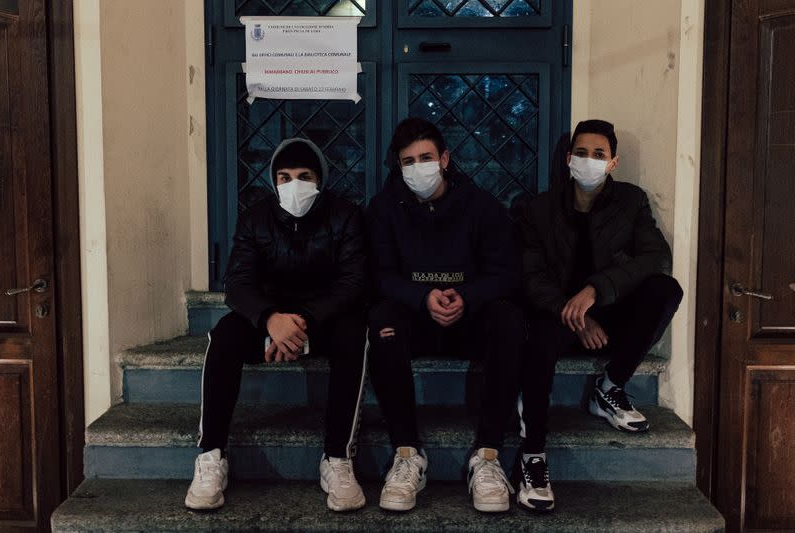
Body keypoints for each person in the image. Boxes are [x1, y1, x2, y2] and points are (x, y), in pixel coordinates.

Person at [185, 138, 368, 513]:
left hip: (322, 320)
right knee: (223, 336)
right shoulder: (255, 216)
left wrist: (301, 324)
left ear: (320, 179)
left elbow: (354, 283)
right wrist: (270, 320)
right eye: (284, 177)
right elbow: (236, 284)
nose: (294, 185)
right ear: (273, 179)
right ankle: (211, 455)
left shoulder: (345, 215)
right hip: (267, 319)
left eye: (304, 176)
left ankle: (337, 458)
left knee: (355, 335)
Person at [511, 119, 683, 512]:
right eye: (582, 153)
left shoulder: (631, 202)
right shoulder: (538, 209)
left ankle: (610, 387)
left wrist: (595, 291)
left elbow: (656, 258)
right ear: (569, 158)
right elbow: (530, 276)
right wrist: (574, 312)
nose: (589, 161)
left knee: (665, 289)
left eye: (599, 154)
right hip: (557, 314)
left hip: (610, 314)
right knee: (534, 338)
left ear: (612, 162)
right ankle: (532, 454)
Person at [365, 117, 525, 513]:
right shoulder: (384, 208)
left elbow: (506, 275)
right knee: (381, 320)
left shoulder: (482, 206)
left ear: (445, 159)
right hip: (414, 319)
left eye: (426, 157)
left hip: (470, 321)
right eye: (408, 161)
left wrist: (466, 297)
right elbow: (379, 275)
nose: (418, 167)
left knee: (510, 321)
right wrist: (423, 297)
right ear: (398, 166)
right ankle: (407, 454)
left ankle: (487, 458)